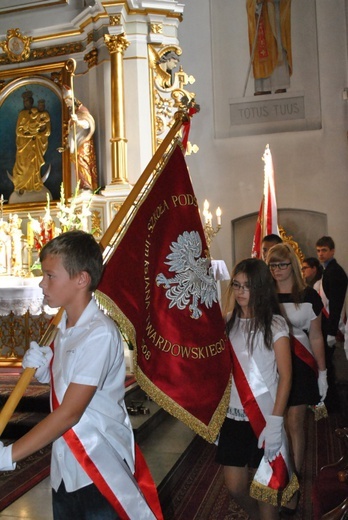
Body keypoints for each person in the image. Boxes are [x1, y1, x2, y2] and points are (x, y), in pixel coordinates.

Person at [0, 230, 161, 520]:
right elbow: (73, 384)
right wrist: (49, 370)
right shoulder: (64, 327)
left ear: (81, 279)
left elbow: (70, 413)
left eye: (50, 276)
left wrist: (8, 456)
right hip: (66, 466)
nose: (42, 283)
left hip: (98, 466)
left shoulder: (98, 332)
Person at [216, 258, 294, 520]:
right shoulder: (226, 323)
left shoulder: (276, 325)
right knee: (235, 487)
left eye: (246, 286)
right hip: (234, 417)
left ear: (259, 288)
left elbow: (285, 377)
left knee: (266, 493)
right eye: (236, 285)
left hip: (265, 417)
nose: (239, 291)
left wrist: (275, 422)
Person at [267, 243, 327, 512]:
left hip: (301, 366)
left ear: (292, 264)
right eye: (272, 265)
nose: (277, 270)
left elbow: (315, 336)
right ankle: (278, 472)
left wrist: (323, 373)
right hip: (272, 365)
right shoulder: (264, 296)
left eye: (282, 264)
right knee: (276, 422)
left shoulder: (309, 295)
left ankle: (295, 476)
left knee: (295, 422)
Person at [315, 236, 347, 409]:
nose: (321, 254)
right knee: (326, 365)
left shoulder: (335, 272)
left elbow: (335, 305)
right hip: (326, 326)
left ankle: (332, 403)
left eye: (324, 250)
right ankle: (329, 401)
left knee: (328, 366)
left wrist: (330, 332)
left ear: (332, 251)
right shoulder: (327, 270)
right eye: (318, 250)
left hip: (330, 326)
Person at [246, 0, 292, 95]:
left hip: (275, 17)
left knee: (279, 48)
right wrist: (256, 2)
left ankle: (280, 85)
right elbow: (249, 4)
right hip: (262, 16)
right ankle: (263, 87)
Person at [12, 91, 50, 193]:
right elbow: (18, 131)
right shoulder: (22, 114)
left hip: (34, 143)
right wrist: (28, 134)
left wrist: (39, 130)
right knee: (23, 165)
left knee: (33, 163)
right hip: (23, 144)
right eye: (24, 101)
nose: (26, 103)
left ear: (31, 101)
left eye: (28, 101)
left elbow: (44, 129)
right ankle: (21, 185)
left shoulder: (38, 114)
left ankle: (34, 183)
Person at [62, 87, 98, 191]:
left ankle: (87, 185)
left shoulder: (82, 112)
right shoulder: (73, 116)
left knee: (82, 161)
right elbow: (71, 133)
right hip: (76, 143)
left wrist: (77, 121)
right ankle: (82, 184)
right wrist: (66, 146)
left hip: (83, 142)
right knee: (76, 164)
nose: (67, 105)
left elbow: (87, 125)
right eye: (66, 103)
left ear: (73, 101)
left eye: (68, 102)